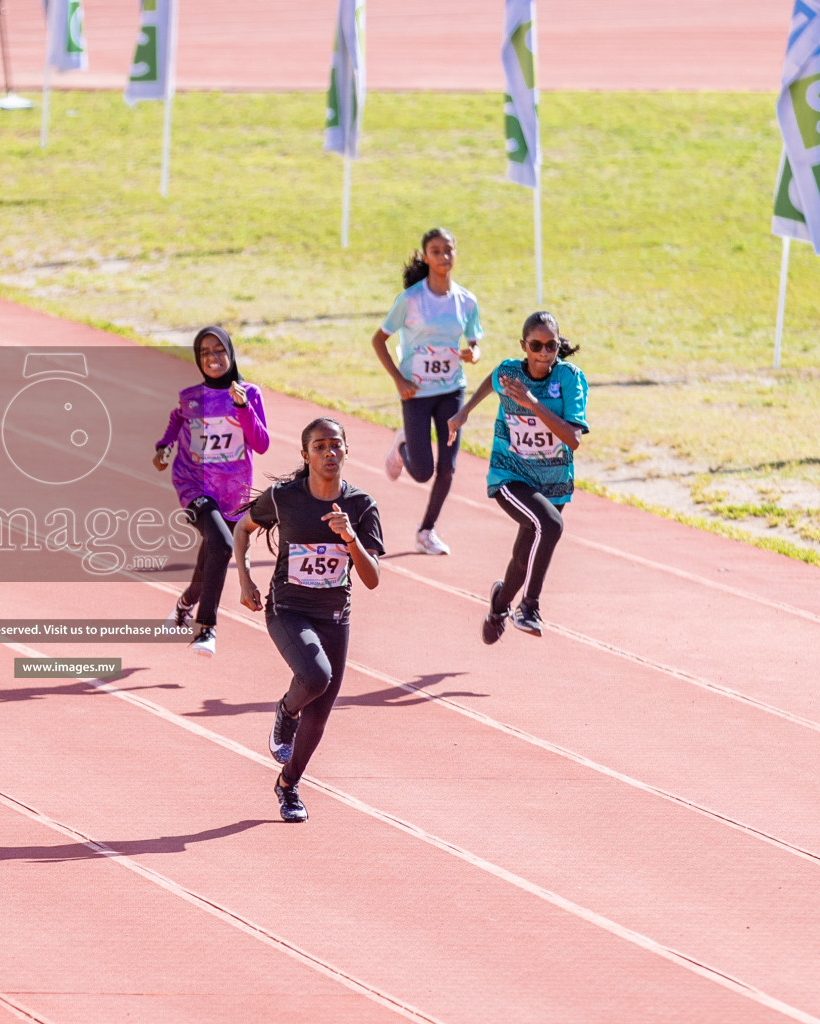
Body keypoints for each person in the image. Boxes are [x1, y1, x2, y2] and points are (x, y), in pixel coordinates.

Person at [232, 417, 384, 823]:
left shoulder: (361, 506)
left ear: (347, 451)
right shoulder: (283, 498)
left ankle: (288, 784)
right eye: (320, 446)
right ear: (305, 455)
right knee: (316, 677)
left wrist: (350, 538)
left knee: (320, 716)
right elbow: (242, 530)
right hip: (288, 609)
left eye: (336, 445)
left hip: (335, 615)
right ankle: (286, 711)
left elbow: (371, 580)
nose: (329, 453)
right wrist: (245, 579)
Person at [448, 311, 587, 643]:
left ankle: (499, 605)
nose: (543, 353)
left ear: (558, 346)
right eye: (535, 345)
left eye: (550, 346)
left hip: (552, 481)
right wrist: (465, 410)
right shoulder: (510, 372)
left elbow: (573, 440)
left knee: (523, 558)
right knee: (550, 525)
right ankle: (529, 607)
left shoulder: (569, 379)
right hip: (510, 476)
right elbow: (493, 377)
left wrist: (531, 402)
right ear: (523, 345)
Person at [154, 326, 270, 657]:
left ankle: (184, 604)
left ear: (231, 355)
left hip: (233, 494)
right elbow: (178, 419)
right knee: (220, 543)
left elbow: (261, 445)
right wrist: (164, 446)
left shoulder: (249, 393)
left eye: (219, 351)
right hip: (192, 485)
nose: (212, 358)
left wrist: (243, 407)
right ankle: (207, 628)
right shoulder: (191, 397)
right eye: (205, 353)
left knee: (210, 560)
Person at [370, 227, 482, 556]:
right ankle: (402, 440)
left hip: (452, 390)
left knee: (448, 467)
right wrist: (398, 380)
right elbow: (379, 341)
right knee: (422, 473)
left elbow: (475, 342)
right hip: (416, 392)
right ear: (425, 256)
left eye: (448, 250)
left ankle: (426, 531)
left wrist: (473, 354)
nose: (443, 257)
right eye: (435, 251)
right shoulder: (410, 300)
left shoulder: (466, 300)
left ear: (455, 253)